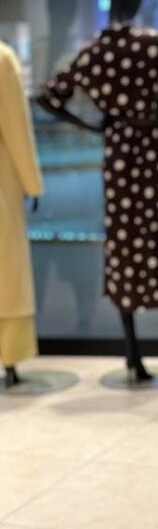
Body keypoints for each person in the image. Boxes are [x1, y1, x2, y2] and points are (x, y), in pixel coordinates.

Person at [38, 0, 158, 382]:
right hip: (153, 155)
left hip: (119, 155)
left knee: (123, 244)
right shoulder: (153, 43)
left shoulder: (96, 48)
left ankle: (132, 352)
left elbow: (49, 96)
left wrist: (94, 125)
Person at [0, 41, 43, 387]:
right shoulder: (2, 58)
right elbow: (15, 126)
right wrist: (32, 184)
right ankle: (10, 358)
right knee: (7, 270)